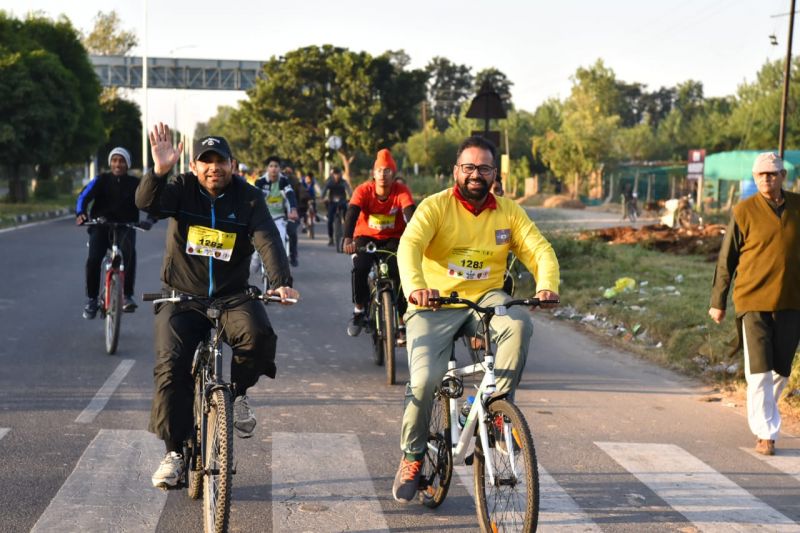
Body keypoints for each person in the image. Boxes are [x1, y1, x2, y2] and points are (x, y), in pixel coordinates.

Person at [392, 136, 560, 503]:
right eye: (468, 167)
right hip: (435, 302)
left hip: (486, 297)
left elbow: (539, 249)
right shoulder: (435, 206)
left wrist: (547, 286)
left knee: (518, 324)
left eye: (483, 168)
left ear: (494, 174)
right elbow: (410, 246)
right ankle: (413, 455)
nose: (475, 174)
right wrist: (417, 287)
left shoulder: (508, 212)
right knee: (424, 381)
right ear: (456, 171)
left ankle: (498, 414)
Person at [136, 123, 299, 489]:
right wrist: (160, 171)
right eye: (206, 162)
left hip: (231, 295)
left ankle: (238, 394)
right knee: (170, 368)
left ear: (233, 164)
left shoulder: (249, 198)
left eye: (220, 161)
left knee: (258, 335)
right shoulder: (179, 188)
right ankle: (174, 452)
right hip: (181, 295)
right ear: (194, 166)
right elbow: (145, 203)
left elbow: (268, 240)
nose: (214, 168)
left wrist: (280, 283)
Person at [708, 151, 800, 457]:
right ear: (754, 177)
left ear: (783, 176)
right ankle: (766, 433)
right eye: (761, 174)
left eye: (772, 174)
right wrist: (718, 301)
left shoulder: (798, 207)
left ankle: (767, 422)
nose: (766, 179)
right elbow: (726, 260)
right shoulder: (743, 210)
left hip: (791, 301)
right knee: (759, 371)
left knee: (781, 370)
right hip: (753, 301)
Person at [342, 149, 415, 343]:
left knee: (398, 273)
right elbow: (352, 213)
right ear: (374, 174)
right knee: (360, 268)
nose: (383, 174)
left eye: (387, 170)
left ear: (393, 173)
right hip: (365, 238)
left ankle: (401, 322)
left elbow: (410, 214)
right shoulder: (363, 190)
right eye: (379, 170)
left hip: (393, 239)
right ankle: (359, 310)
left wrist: (418, 237)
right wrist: (348, 239)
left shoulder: (400, 190)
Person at [76, 146, 154, 318]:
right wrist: (81, 213)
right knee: (94, 258)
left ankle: (127, 295)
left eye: (122, 161)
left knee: (129, 254)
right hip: (101, 226)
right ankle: (92, 300)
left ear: (127, 164)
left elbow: (151, 201)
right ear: (110, 163)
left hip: (126, 226)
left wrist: (149, 219)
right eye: (114, 160)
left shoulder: (136, 184)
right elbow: (83, 197)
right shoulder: (101, 180)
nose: (118, 164)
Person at [252, 156, 298, 269]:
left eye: (276, 166)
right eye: (271, 166)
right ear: (267, 168)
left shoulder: (284, 181)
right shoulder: (260, 182)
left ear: (280, 169)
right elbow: (254, 197)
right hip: (262, 218)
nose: (273, 169)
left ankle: (290, 257)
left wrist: (293, 209)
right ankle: (256, 259)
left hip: (280, 218)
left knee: (281, 239)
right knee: (256, 241)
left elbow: (290, 195)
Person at [283, 165, 309, 267]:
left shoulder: (296, 183)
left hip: (293, 213)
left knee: (292, 232)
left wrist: (304, 202)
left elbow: (303, 194)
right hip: (277, 213)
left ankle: (293, 255)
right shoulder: (274, 183)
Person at [320, 167, 352, 246]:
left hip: (342, 202)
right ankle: (331, 238)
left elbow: (349, 190)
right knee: (330, 220)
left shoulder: (343, 182)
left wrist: (351, 197)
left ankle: (348, 237)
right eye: (335, 174)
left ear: (341, 174)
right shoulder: (329, 182)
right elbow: (324, 190)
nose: (337, 176)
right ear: (332, 175)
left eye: (338, 174)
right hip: (332, 203)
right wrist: (322, 197)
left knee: (348, 219)